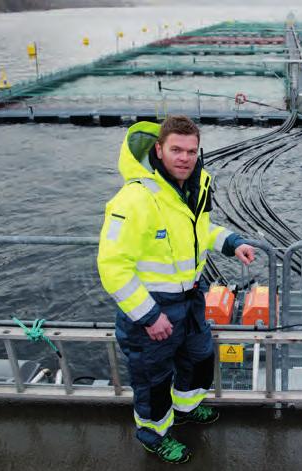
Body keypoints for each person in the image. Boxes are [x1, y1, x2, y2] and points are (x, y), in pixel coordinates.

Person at [97, 116, 255, 464]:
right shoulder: (134, 199)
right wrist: (149, 316)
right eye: (176, 150)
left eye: (191, 151)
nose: (184, 158)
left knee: (198, 358)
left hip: (190, 299)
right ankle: (154, 435)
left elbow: (200, 230)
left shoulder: (193, 187)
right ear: (159, 149)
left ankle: (185, 408)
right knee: (153, 380)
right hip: (152, 309)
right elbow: (112, 266)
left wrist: (231, 242)